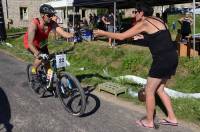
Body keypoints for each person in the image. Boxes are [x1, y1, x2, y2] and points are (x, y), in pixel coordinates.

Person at [94, 2, 178, 129]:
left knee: (149, 91)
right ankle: (172, 117)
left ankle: (149, 121)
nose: (134, 14)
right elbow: (160, 38)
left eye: (135, 12)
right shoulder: (158, 19)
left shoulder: (144, 23)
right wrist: (144, 38)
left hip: (162, 60)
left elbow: (121, 36)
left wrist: (103, 33)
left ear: (141, 13)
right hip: (172, 56)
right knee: (160, 89)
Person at [23, 4, 73, 91]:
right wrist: (38, 54)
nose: (52, 17)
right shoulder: (34, 24)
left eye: (53, 15)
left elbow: (64, 33)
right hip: (31, 44)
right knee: (41, 57)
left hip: (42, 43)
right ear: (43, 15)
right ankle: (33, 71)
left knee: (47, 63)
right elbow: (30, 43)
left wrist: (75, 35)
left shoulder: (52, 23)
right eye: (49, 15)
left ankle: (48, 84)